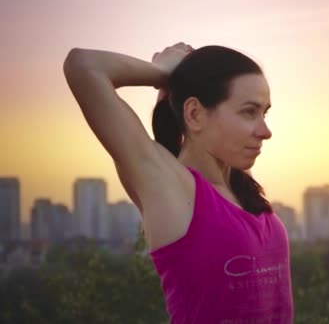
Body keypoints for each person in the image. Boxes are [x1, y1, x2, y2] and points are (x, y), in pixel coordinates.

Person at [63, 43, 294, 323]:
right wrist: (161, 72)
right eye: (249, 112)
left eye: (264, 113)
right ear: (195, 114)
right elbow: (83, 65)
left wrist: (176, 86)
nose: (265, 131)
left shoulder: (238, 186)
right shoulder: (167, 186)